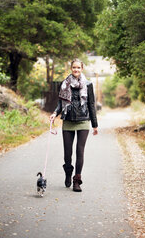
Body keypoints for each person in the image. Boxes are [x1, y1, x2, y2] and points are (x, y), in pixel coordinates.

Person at [50, 59, 98, 192]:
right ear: (71, 69)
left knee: (80, 151)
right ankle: (68, 172)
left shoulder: (88, 84)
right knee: (67, 153)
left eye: (78, 67)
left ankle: (77, 181)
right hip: (68, 121)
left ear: (82, 69)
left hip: (83, 121)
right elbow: (61, 103)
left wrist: (95, 125)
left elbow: (91, 105)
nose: (76, 70)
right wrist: (55, 113)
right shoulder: (65, 84)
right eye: (74, 68)